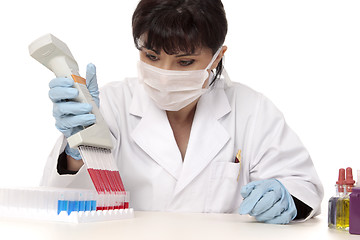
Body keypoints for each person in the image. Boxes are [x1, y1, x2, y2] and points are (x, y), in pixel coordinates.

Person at [42, 0, 323, 224]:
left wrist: (286, 198)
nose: (164, 75)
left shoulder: (251, 110)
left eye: (185, 61)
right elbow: (59, 204)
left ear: (217, 57)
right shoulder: (112, 105)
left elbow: (304, 187)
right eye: (151, 56)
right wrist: (74, 153)